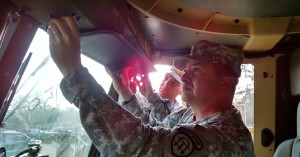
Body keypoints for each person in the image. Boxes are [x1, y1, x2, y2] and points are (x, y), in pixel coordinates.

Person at [48, 16, 255, 156]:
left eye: (197, 70)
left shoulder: (227, 140)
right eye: (187, 69)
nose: (184, 78)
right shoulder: (187, 116)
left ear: (226, 82)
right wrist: (126, 95)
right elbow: (153, 127)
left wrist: (73, 72)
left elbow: (139, 147)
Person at [106, 66, 183, 123]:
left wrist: (151, 97)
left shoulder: (180, 113)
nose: (166, 84)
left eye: (174, 83)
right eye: (166, 78)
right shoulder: (141, 95)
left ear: (181, 91)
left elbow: (154, 132)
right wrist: (129, 91)